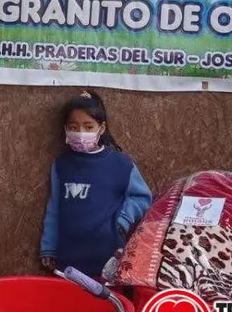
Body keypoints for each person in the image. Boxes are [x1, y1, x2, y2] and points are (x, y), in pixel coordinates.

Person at [39, 91, 153, 278]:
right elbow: (54, 208)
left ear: (101, 128)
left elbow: (143, 198)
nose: (80, 133)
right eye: (73, 127)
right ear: (66, 129)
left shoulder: (121, 164)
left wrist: (122, 221)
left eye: (88, 126)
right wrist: (48, 247)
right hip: (69, 258)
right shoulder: (61, 165)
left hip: (107, 256)